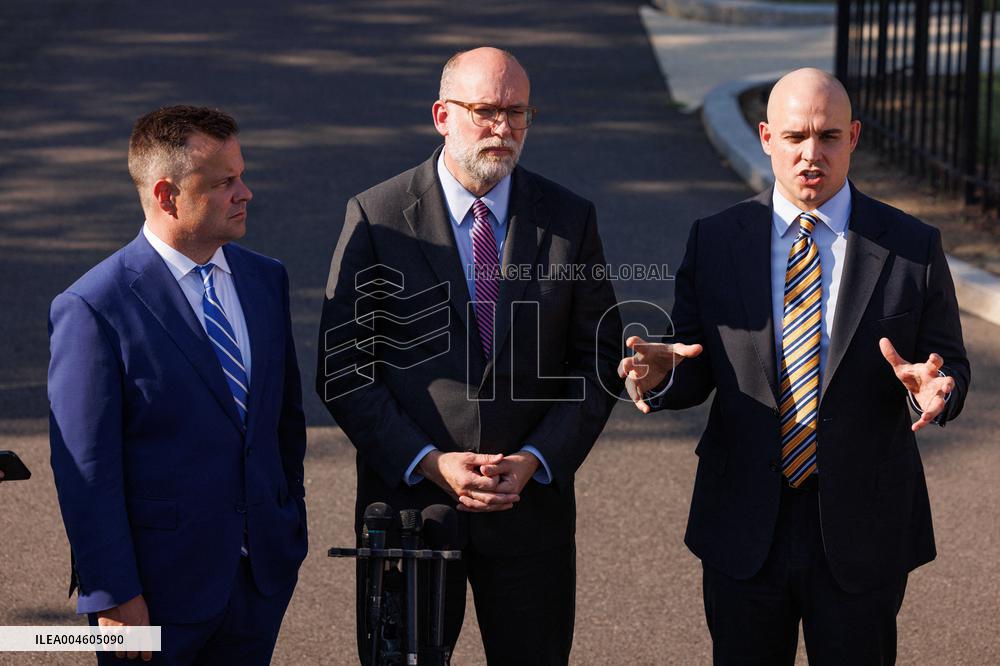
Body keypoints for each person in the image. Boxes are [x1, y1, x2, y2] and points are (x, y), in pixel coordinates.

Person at [619, 68, 970, 665]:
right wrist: (661, 373)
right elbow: (693, 360)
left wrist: (934, 390)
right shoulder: (716, 240)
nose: (812, 154)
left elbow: (946, 366)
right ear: (765, 137)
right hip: (744, 518)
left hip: (863, 524)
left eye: (830, 136)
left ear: (855, 136)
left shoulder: (912, 245)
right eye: (795, 137)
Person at [317, 47, 622, 665]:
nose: (503, 128)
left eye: (518, 112)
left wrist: (537, 459)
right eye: (486, 111)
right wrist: (429, 462)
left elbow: (597, 358)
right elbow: (344, 368)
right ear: (442, 115)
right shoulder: (377, 217)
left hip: (529, 514)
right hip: (411, 518)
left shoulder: (569, 219)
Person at [48, 105, 308, 665]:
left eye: (242, 175)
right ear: (167, 195)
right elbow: (85, 471)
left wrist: (288, 522)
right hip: (152, 597)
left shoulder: (266, 279)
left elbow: (282, 419)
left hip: (259, 580)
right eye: (225, 182)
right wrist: (113, 593)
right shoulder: (93, 307)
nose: (246, 193)